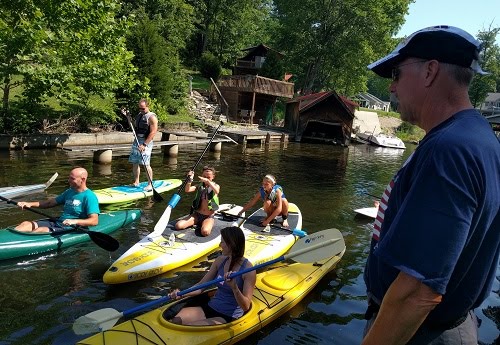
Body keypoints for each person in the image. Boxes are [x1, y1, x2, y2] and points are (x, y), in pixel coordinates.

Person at [362, 25, 500, 345]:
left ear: (430, 71)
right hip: (444, 326)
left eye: (396, 74)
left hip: (417, 333)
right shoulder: (478, 138)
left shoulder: (449, 150)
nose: (392, 88)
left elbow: (417, 292)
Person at [168, 226, 256, 325]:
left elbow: (246, 306)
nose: (220, 244)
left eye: (222, 242)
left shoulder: (248, 270)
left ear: (231, 244)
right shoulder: (220, 261)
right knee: (176, 321)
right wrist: (181, 294)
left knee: (190, 327)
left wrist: (234, 288)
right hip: (211, 306)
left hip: (227, 315)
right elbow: (201, 286)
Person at [15, 167, 100, 233]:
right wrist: (29, 204)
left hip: (71, 227)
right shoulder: (69, 192)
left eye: (72, 179)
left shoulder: (89, 196)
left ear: (83, 179)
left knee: (40, 230)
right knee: (25, 224)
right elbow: (50, 203)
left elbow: (94, 221)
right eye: (69, 178)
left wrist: (74, 221)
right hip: (59, 222)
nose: (68, 181)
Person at [175, 166, 220, 236]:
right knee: (178, 226)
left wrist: (208, 181)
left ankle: (205, 224)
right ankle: (197, 223)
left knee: (205, 232)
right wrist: (189, 180)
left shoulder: (216, 186)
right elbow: (187, 190)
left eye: (208, 177)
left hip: (208, 216)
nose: (205, 179)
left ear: (213, 177)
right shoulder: (199, 186)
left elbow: (216, 191)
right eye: (204, 176)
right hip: (197, 214)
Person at [128, 98, 158, 191]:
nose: (141, 110)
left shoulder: (152, 117)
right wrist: (127, 117)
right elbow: (133, 126)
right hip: (137, 140)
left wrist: (144, 145)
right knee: (135, 162)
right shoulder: (139, 115)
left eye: (143, 108)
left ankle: (150, 184)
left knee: (146, 164)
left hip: (146, 142)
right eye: (140, 108)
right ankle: (136, 182)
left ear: (148, 106)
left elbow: (153, 132)